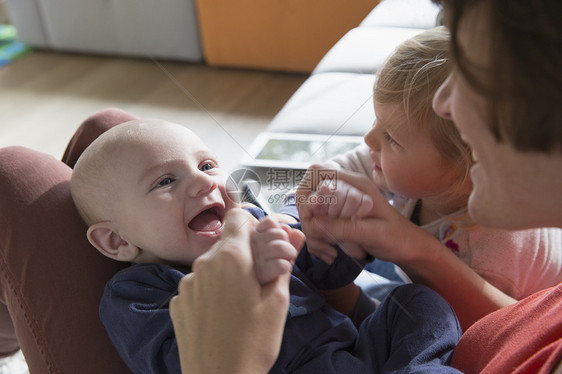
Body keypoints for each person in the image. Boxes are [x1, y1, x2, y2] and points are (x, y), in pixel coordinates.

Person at [170, 0, 562, 372]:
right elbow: (340, 171)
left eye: (476, 71)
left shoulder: (501, 257)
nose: (446, 103)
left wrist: (222, 365)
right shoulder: (408, 175)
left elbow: (454, 331)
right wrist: (313, 193)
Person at [298, 25, 562, 330]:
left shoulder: (492, 258)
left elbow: (476, 336)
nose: (369, 140)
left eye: (392, 139)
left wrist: (347, 300)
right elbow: (352, 166)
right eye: (375, 121)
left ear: (466, 171)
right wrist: (323, 186)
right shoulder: (422, 174)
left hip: (474, 312)